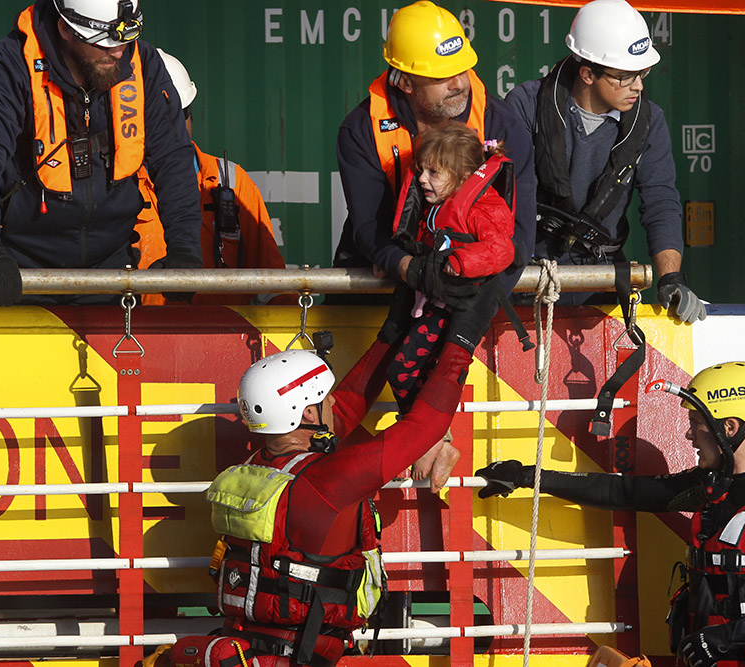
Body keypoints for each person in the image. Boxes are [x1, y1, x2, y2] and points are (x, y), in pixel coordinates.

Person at [143, 302, 478, 667]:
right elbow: (424, 428)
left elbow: (347, 405)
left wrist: (396, 325)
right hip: (303, 656)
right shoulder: (327, 481)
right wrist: (465, 334)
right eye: (325, 397)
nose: (335, 400)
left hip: (255, 645)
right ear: (306, 413)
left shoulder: (258, 467)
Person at [476, 361, 745, 667]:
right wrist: (529, 476)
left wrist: (729, 634)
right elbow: (623, 491)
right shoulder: (709, 486)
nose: (689, 438)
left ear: (729, 428)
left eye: (697, 428)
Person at [0, 0, 202, 306]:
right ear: (65, 29)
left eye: (125, 39)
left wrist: (185, 251)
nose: (118, 52)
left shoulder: (144, 65)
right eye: (104, 43)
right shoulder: (9, 64)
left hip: (111, 274)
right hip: (21, 272)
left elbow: (173, 159)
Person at [504, 0, 705, 321]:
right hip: (529, 280)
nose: (638, 85)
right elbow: (506, 200)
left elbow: (661, 202)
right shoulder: (526, 107)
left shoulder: (650, 120)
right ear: (587, 73)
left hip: (602, 282)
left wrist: (671, 278)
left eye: (643, 73)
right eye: (625, 76)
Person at [332, 0, 536, 310]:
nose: (459, 84)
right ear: (405, 82)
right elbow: (368, 225)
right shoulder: (362, 129)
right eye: (443, 76)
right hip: (380, 278)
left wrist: (468, 307)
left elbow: (518, 236)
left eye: (462, 69)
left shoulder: (501, 124)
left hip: (477, 283)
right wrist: (409, 269)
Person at [388, 122, 516, 491]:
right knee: (407, 375)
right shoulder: (441, 206)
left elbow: (503, 249)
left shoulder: (481, 207)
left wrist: (460, 263)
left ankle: (425, 443)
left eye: (433, 172)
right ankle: (432, 445)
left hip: (451, 308)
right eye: (420, 170)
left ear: (463, 176)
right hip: (430, 302)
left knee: (403, 371)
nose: (423, 180)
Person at [132, 49, 287, 305]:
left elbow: (273, 287)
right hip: (133, 343)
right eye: (156, 121)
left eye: (176, 116)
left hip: (224, 342)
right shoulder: (113, 186)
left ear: (190, 115)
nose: (169, 130)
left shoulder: (233, 183)